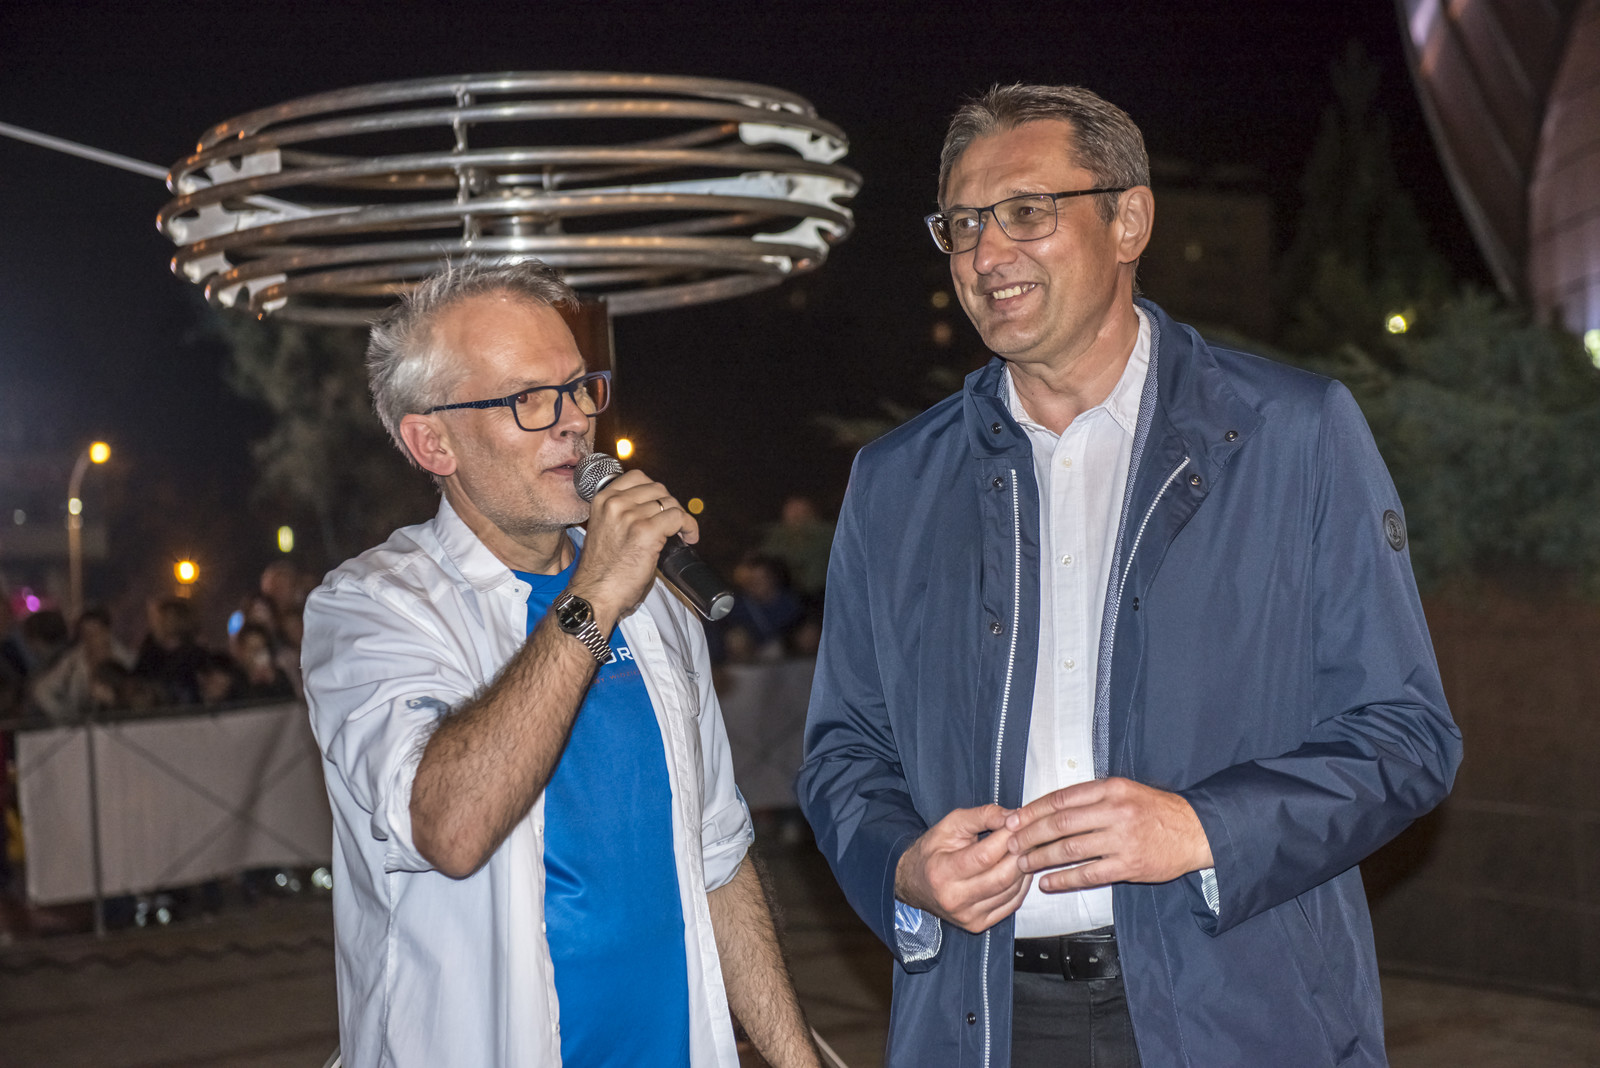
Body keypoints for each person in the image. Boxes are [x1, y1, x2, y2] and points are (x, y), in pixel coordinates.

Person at [796, 84, 1462, 1068]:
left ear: (1129, 221)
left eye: (1026, 212)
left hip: (1236, 1008)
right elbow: (843, 754)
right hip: (984, 1019)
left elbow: (1405, 736)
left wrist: (1202, 829)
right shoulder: (895, 482)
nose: (986, 253)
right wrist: (901, 863)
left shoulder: (1291, 434)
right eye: (963, 224)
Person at [302, 261, 819, 1068]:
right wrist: (594, 596)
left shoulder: (654, 596)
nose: (574, 421)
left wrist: (796, 1058)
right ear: (432, 441)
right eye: (528, 399)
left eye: (579, 388)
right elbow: (449, 827)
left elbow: (716, 857)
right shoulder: (372, 608)